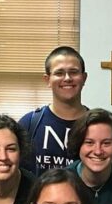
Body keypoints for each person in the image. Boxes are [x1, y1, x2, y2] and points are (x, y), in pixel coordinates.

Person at [20, 46, 89, 175]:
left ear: (84, 78)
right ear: (47, 80)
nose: (67, 78)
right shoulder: (29, 123)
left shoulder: (96, 125)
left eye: (73, 72)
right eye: (59, 73)